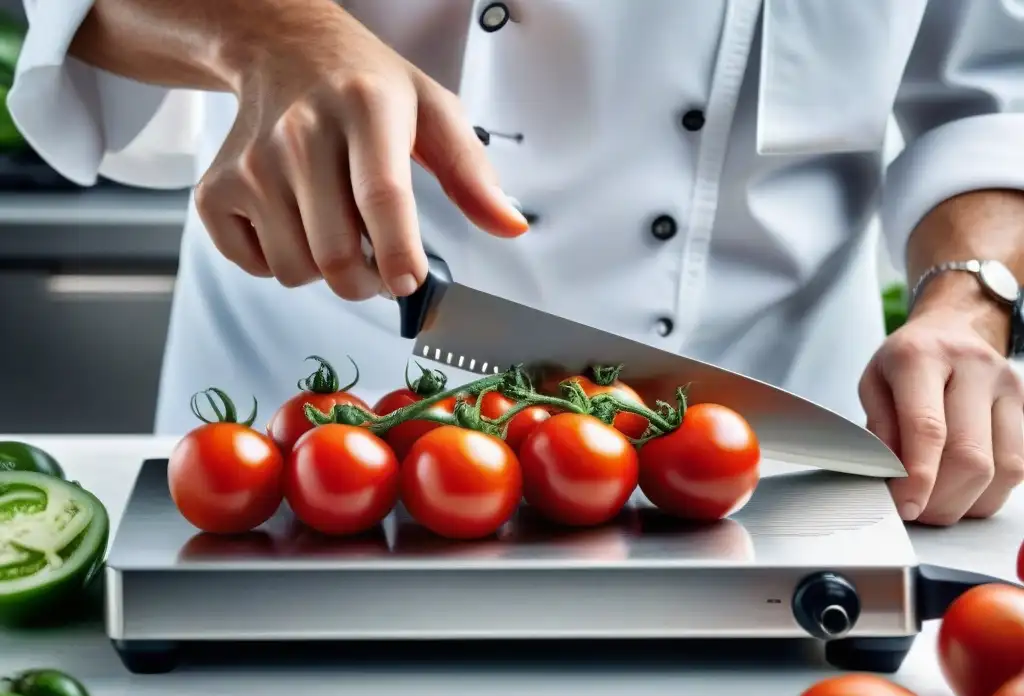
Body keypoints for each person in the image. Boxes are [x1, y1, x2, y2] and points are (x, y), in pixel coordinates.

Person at [9, 0, 1024, 526]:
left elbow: (994, 96)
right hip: (304, 435)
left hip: (775, 461)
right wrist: (273, 33)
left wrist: (971, 298)